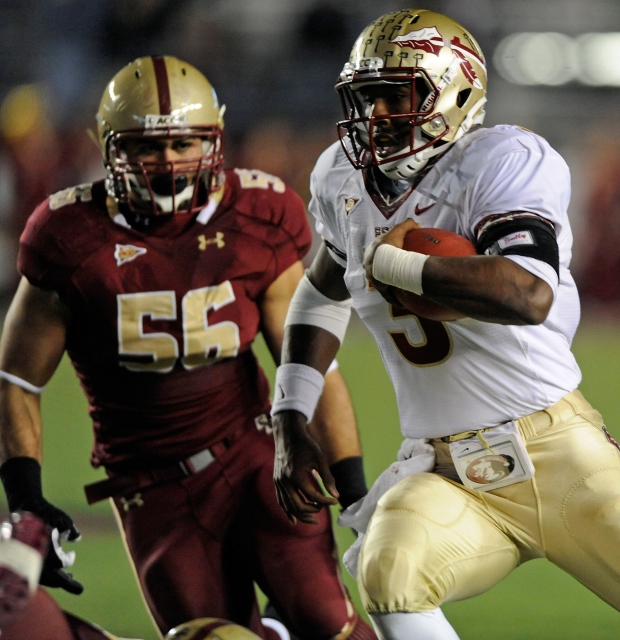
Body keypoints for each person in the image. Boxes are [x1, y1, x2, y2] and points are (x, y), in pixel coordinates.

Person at [270, 8, 620, 640]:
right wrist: (291, 416)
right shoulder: (342, 179)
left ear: (455, 93)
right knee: (390, 573)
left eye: (396, 95)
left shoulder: (502, 159)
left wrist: (397, 266)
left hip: (560, 453)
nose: (376, 116)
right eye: (366, 98)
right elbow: (320, 294)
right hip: (448, 471)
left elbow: (529, 294)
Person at [0, 56, 377, 640]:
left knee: (331, 623)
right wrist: (26, 497)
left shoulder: (257, 214)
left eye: (184, 142)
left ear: (214, 140)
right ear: (109, 147)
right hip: (150, 489)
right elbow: (18, 380)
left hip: (256, 456)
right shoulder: (67, 234)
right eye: (148, 146)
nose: (169, 161)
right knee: (210, 636)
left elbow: (309, 361)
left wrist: (353, 490)